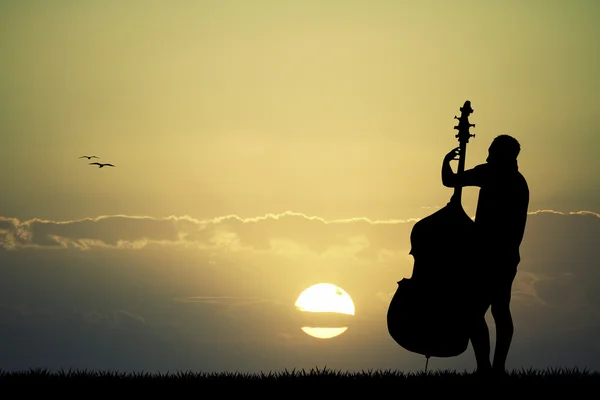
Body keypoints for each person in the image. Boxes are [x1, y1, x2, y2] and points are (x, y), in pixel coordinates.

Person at [441, 134, 530, 376]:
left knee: (474, 312)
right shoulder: (518, 181)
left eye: (492, 150)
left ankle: (485, 367)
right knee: (500, 309)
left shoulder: (488, 173)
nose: (488, 154)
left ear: (500, 154)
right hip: (506, 256)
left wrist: (446, 161)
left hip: (487, 256)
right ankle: (496, 368)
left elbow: (449, 181)